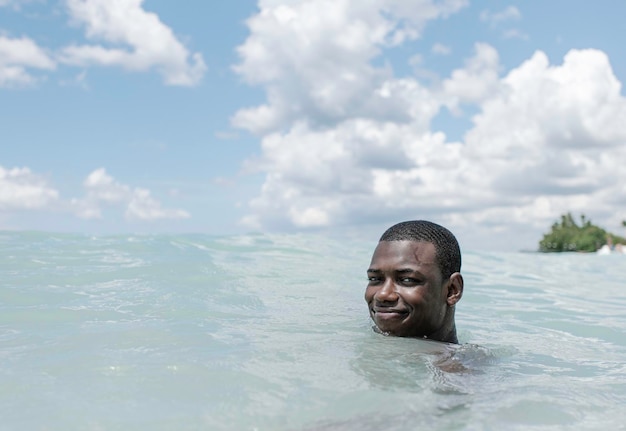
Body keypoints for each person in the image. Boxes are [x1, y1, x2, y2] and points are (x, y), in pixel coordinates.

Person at [365, 220, 464, 344]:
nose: (382, 294)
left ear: (452, 290)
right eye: (374, 279)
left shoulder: (460, 362)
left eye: (407, 280)